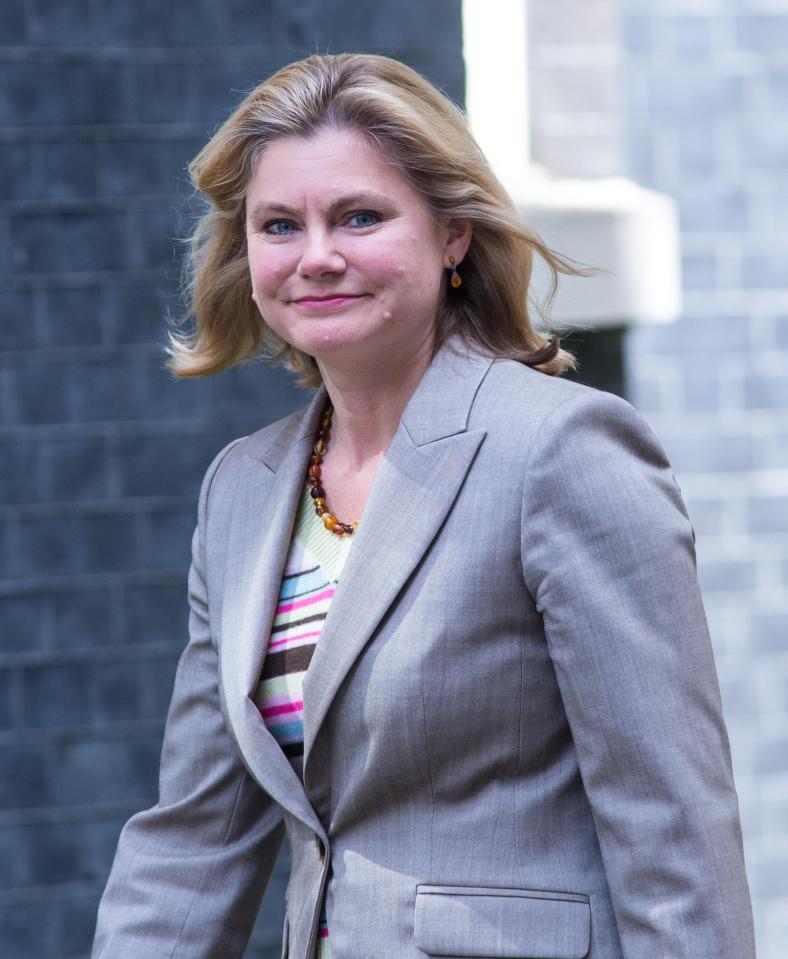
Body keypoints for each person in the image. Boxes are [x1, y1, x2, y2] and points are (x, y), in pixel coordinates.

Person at [91, 53, 756, 959]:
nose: (316, 255)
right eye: (279, 224)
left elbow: (671, 829)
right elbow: (195, 837)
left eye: (359, 216)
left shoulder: (562, 451)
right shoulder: (244, 487)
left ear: (452, 234)